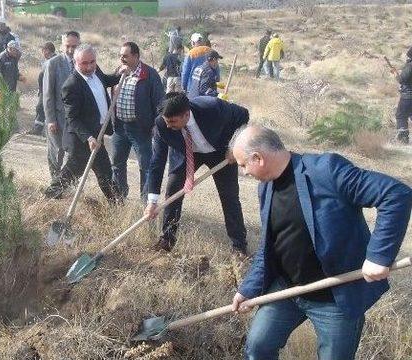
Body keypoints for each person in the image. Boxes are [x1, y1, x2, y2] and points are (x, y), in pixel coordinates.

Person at [230, 125, 412, 359]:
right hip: (287, 290)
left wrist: (378, 256)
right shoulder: (266, 188)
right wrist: (248, 289)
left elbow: (395, 194)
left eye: (243, 165)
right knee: (258, 347)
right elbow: (270, 246)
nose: (244, 172)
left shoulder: (326, 170)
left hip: (335, 297)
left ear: (258, 158)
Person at [144, 92, 248, 254]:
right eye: (166, 121)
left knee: (230, 197)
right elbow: (157, 163)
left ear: (186, 114)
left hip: (220, 151)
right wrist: (152, 200)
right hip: (187, 152)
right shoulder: (161, 125)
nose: (169, 126)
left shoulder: (212, 107)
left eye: (173, 121)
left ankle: (239, 245)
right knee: (173, 191)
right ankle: (167, 239)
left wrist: (233, 147)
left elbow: (243, 115)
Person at [43, 44, 122, 202]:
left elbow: (106, 80)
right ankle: (47, 199)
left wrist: (120, 74)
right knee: (69, 176)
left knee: (105, 175)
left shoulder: (95, 71)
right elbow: (72, 119)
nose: (89, 66)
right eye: (84, 63)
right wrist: (88, 138)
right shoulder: (71, 85)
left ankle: (117, 206)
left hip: (96, 135)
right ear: (75, 62)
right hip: (81, 141)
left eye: (92, 62)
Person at [112, 41, 163, 202]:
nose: (122, 59)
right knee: (117, 164)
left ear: (136, 56)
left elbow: (160, 102)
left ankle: (145, 202)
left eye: (125, 56)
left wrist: (156, 124)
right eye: (120, 56)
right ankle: (119, 197)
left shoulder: (149, 74)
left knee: (146, 167)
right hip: (120, 127)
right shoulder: (119, 72)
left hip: (140, 128)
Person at [43, 31, 80, 183]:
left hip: (76, 120)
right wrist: (51, 119)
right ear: (62, 45)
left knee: (74, 154)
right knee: (56, 151)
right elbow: (47, 94)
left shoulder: (83, 63)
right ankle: (55, 183)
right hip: (58, 118)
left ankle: (68, 183)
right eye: (68, 46)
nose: (71, 50)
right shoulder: (53, 64)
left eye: (74, 46)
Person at [28, 41, 56, 136]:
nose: (43, 53)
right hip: (45, 90)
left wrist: (42, 91)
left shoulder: (52, 62)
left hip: (48, 90)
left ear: (47, 51)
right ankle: (41, 129)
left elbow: (44, 78)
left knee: (41, 108)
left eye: (44, 51)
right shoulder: (51, 60)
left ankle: (38, 129)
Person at [393, 46, 412, 144]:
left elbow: (402, 80)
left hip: (408, 96)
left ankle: (403, 139)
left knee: (401, 115)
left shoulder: (410, 66)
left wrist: (396, 75)